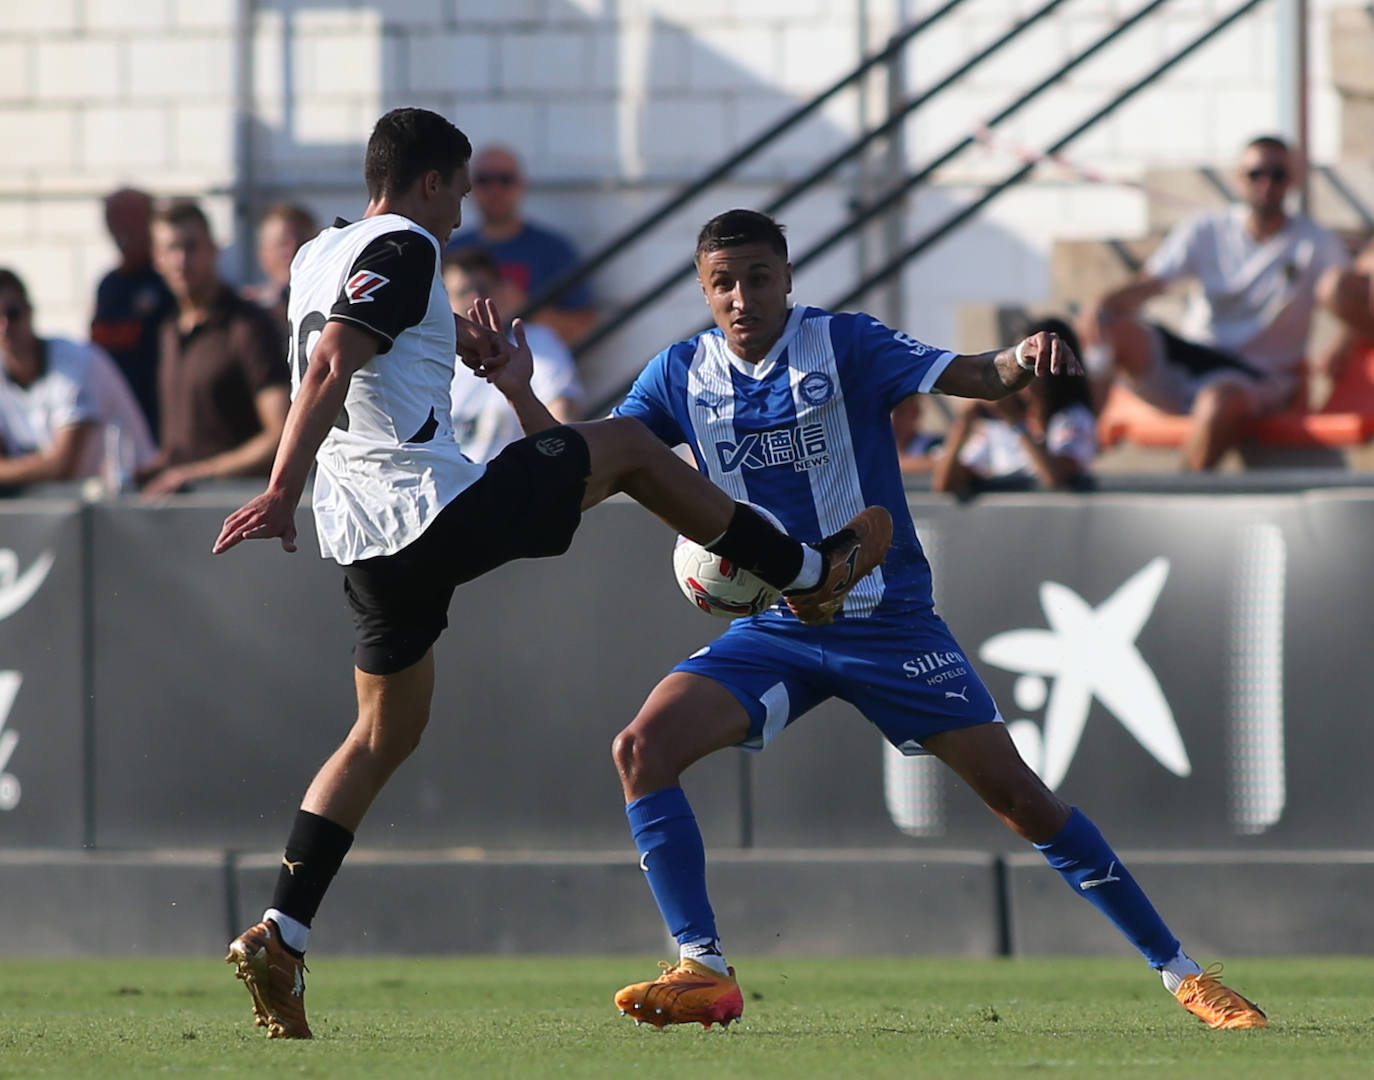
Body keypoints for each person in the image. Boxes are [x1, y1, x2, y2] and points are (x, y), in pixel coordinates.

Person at [213, 108, 889, 1040]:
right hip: (423, 509)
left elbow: (363, 342)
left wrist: (477, 357)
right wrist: (278, 488)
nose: (459, 218)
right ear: (431, 184)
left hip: (363, 536)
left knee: (384, 730)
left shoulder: (317, 254)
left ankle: (282, 931)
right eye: (456, 193)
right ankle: (811, 571)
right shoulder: (409, 240)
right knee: (627, 448)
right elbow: (335, 360)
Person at [605, 209, 1266, 1032]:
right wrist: (519, 389)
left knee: (1019, 799)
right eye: (723, 284)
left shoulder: (844, 344)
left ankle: (1183, 973)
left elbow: (973, 375)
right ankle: (703, 967)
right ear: (704, 292)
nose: (742, 297)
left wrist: (1020, 360)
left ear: (787, 276)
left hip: (887, 622)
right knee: (641, 747)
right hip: (777, 625)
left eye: (758, 278)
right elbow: (593, 458)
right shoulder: (679, 373)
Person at [1076, 135, 1350, 471]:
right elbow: (1151, 283)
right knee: (1109, 327)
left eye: (1278, 174)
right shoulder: (1207, 228)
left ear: (1292, 180)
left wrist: (1340, 348)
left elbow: (1348, 295)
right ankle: (1075, 447)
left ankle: (1183, 501)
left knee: (1218, 401)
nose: (1266, 183)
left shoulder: (1315, 241)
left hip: (1258, 376)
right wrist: (1099, 307)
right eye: (1256, 174)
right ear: (1239, 178)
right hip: (1194, 358)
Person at [140, 198, 290, 496]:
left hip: (236, 508)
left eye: (191, 247)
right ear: (157, 258)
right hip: (180, 512)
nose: (181, 260)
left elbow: (281, 434)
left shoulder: (248, 327)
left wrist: (198, 474)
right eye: (171, 249)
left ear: (213, 249)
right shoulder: (169, 330)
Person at [0, 268, 155, 492]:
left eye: (12, 314)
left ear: (30, 312)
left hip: (135, 499)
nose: (5, 326)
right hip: (70, 509)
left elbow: (63, 467)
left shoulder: (77, 362)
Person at [445, 144, 595, 346]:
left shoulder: (554, 250)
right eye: (484, 180)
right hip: (461, 367)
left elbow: (585, 327)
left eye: (504, 180)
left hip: (533, 366)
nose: (494, 190)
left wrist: (525, 309)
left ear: (521, 185)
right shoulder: (449, 250)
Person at [443, 246, 583, 462]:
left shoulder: (533, 342)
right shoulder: (431, 356)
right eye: (463, 292)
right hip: (449, 487)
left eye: (482, 289)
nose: (474, 300)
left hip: (520, 483)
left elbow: (562, 411)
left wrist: (563, 465)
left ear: (503, 290)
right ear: (444, 301)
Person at [933, 317, 1097, 497]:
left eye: (1032, 364)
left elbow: (1055, 477)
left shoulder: (1072, 418)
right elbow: (944, 484)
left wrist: (1016, 422)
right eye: (1020, 364)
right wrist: (963, 424)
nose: (1024, 375)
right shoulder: (996, 425)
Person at [90, 187, 178, 440]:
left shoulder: (168, 282)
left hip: (160, 419)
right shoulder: (109, 285)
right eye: (114, 218)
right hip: (117, 420)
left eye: (130, 218)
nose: (122, 228)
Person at [243, 202, 320, 329]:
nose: (292, 251)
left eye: (303, 243)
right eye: (282, 244)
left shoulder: (334, 302)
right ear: (263, 253)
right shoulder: (247, 311)